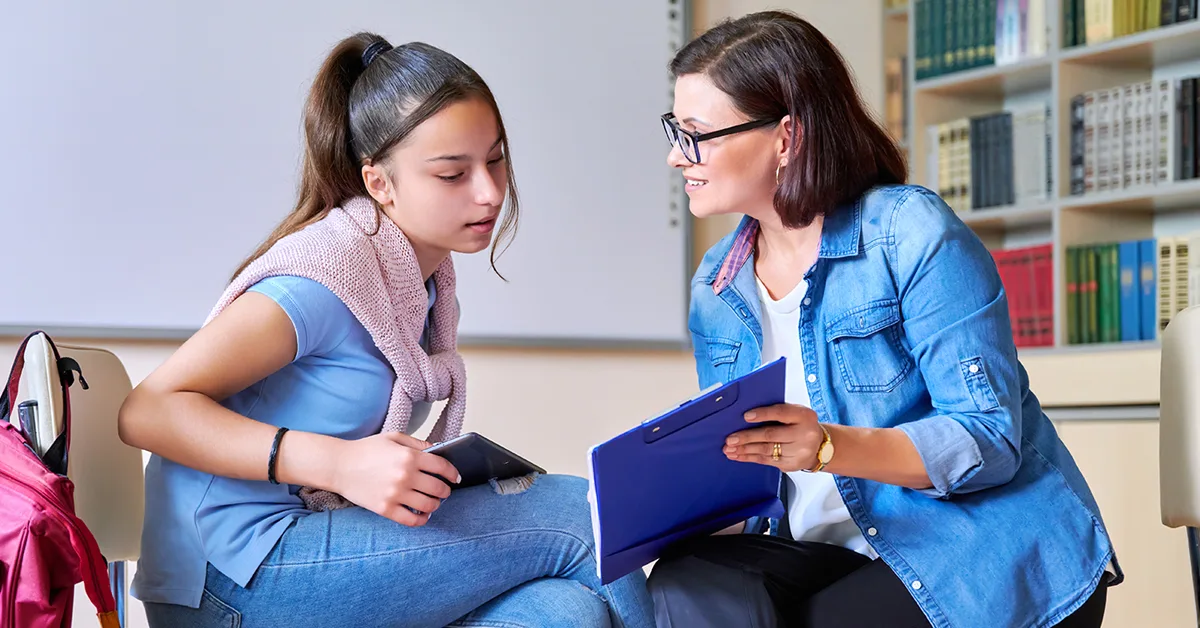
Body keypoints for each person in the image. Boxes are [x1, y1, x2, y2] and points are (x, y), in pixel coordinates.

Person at [118, 33, 654, 628]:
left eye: (496, 160)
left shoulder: (420, 282)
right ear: (379, 184)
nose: (490, 191)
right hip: (229, 578)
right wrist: (339, 465)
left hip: (311, 546)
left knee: (564, 615)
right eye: (453, 174)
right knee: (579, 514)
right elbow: (147, 410)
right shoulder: (320, 280)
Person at [648, 11, 1120, 628]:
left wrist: (824, 446)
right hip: (827, 550)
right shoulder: (717, 281)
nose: (675, 158)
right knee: (687, 581)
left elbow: (990, 439)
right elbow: (754, 470)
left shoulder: (908, 233)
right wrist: (676, 496)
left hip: (970, 547)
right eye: (673, 131)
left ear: (785, 138)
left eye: (695, 134)